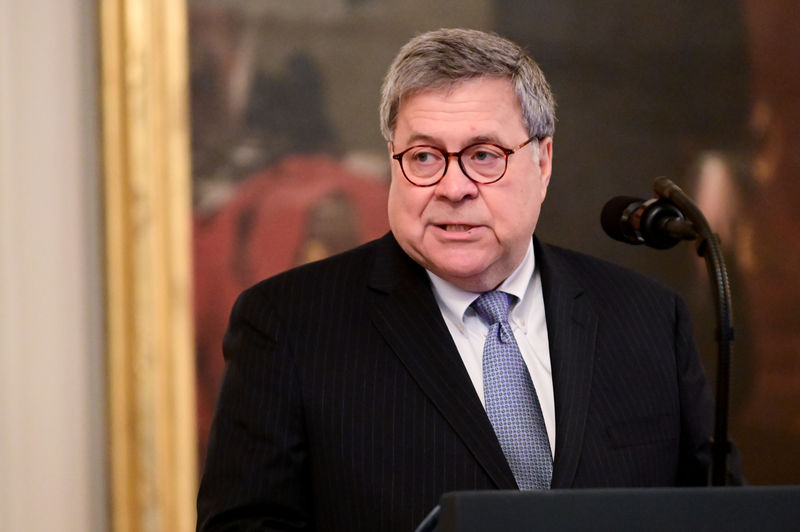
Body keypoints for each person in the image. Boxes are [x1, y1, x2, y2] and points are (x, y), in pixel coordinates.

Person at [197, 28, 720, 531]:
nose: (453, 187)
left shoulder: (649, 319)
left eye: (483, 156)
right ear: (392, 163)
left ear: (544, 161)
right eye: (424, 157)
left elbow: (718, 516)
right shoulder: (289, 325)